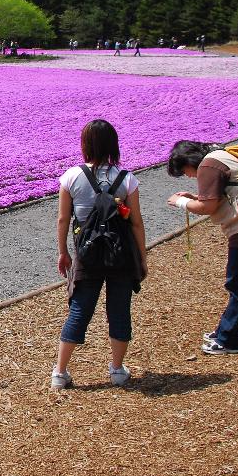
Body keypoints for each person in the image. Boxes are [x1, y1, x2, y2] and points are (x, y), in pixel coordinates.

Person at [52, 120, 147, 390]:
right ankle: (117, 370)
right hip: (120, 253)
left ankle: (60, 372)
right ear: (113, 145)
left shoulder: (71, 177)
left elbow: (62, 219)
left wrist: (63, 252)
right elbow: (137, 223)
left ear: (85, 145)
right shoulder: (126, 179)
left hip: (87, 252)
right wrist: (142, 256)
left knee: (80, 310)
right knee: (119, 310)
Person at [166, 141, 238, 354]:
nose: (189, 176)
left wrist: (180, 203)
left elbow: (208, 207)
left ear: (190, 162)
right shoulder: (217, 155)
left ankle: (230, 339)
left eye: (184, 171)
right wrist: (193, 198)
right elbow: (223, 193)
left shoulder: (207, 167)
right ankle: (224, 330)